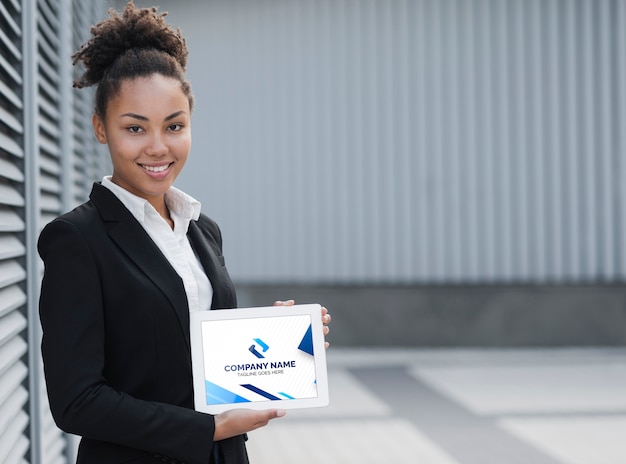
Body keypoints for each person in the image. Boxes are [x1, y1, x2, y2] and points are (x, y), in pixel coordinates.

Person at [37, 2, 331, 463]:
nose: (158, 147)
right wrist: (207, 428)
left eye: (174, 126)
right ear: (100, 129)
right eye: (135, 128)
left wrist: (272, 339)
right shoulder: (77, 239)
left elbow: (182, 346)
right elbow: (77, 402)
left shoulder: (202, 230)